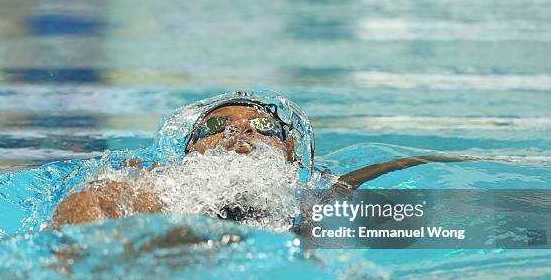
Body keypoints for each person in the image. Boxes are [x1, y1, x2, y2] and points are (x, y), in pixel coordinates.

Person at [52, 91, 476, 226]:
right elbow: (94, 204)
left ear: (291, 155)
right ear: (190, 152)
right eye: (217, 128)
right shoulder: (163, 185)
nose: (240, 132)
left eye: (265, 127)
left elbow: (384, 173)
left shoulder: (319, 193)